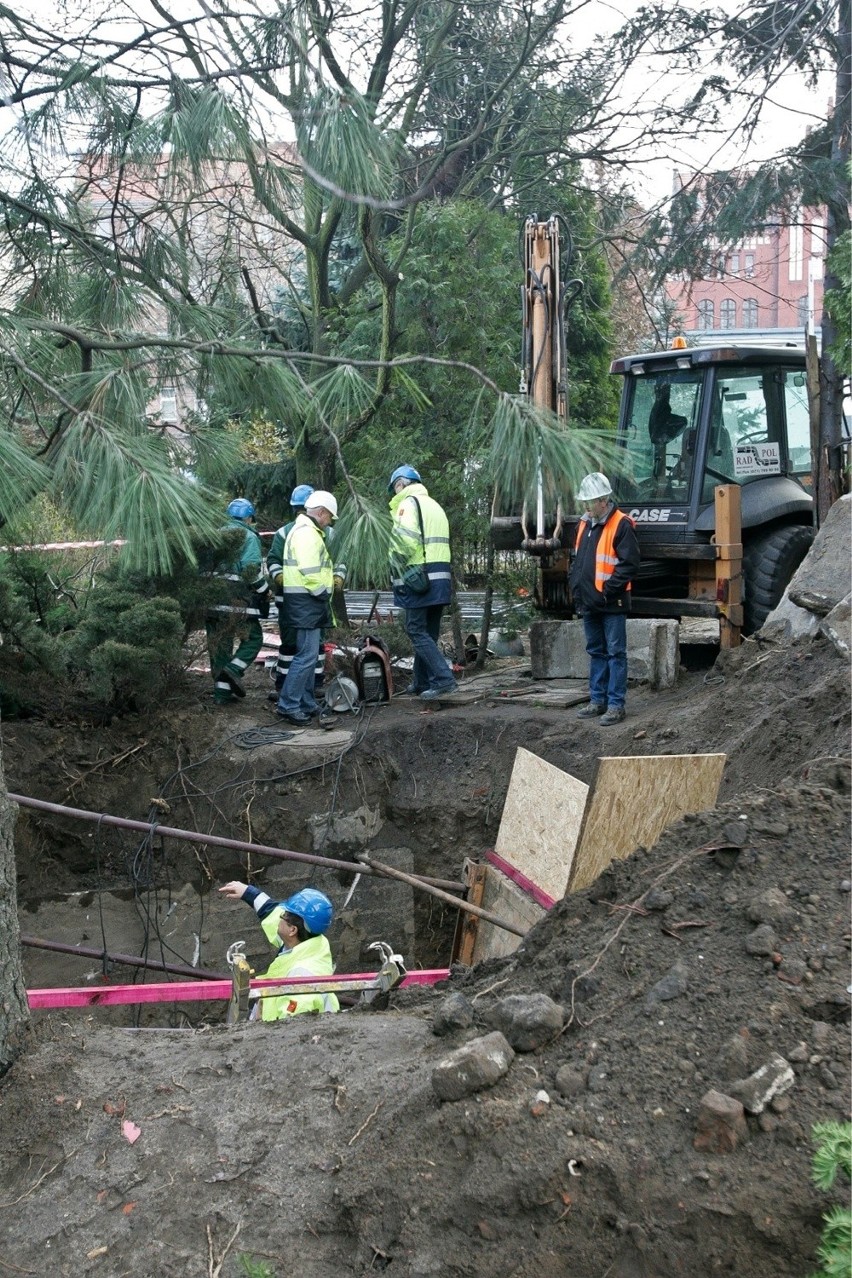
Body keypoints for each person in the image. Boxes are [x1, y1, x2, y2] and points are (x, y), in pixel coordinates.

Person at [569, 472, 640, 726]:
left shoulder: (621, 524)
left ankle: (615, 705)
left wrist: (607, 591)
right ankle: (597, 701)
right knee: (597, 652)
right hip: (590, 602)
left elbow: (629, 565)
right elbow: (576, 561)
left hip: (611, 603)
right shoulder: (585, 524)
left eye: (590, 502)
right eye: (585, 502)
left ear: (603, 500)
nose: (586, 506)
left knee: (615, 653)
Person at [218, 881, 339, 1021]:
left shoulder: (301, 976)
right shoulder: (308, 941)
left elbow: (291, 1029)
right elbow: (271, 911)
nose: (279, 916)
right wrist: (248, 892)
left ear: (292, 930)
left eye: (284, 915)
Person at [387, 464, 456, 701]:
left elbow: (405, 543)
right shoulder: (434, 505)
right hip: (439, 577)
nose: (394, 493)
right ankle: (421, 681)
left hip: (419, 579)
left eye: (394, 488)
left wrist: (392, 558)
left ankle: (443, 679)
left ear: (401, 484)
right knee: (429, 632)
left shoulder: (408, 504)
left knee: (416, 630)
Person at [275, 490, 338, 727]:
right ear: (320, 512)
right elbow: (310, 570)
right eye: (329, 516)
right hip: (307, 601)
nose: (330, 521)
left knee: (308, 655)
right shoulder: (307, 534)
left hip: (303, 601)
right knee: (306, 656)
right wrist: (322, 592)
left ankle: (306, 701)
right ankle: (289, 704)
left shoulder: (303, 530)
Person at [205, 498, 271, 705]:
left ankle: (221, 695)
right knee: (253, 639)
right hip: (238, 600)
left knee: (219, 646)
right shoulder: (249, 537)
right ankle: (233, 669)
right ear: (249, 517)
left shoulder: (214, 535)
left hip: (212, 600)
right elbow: (251, 571)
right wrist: (264, 590)